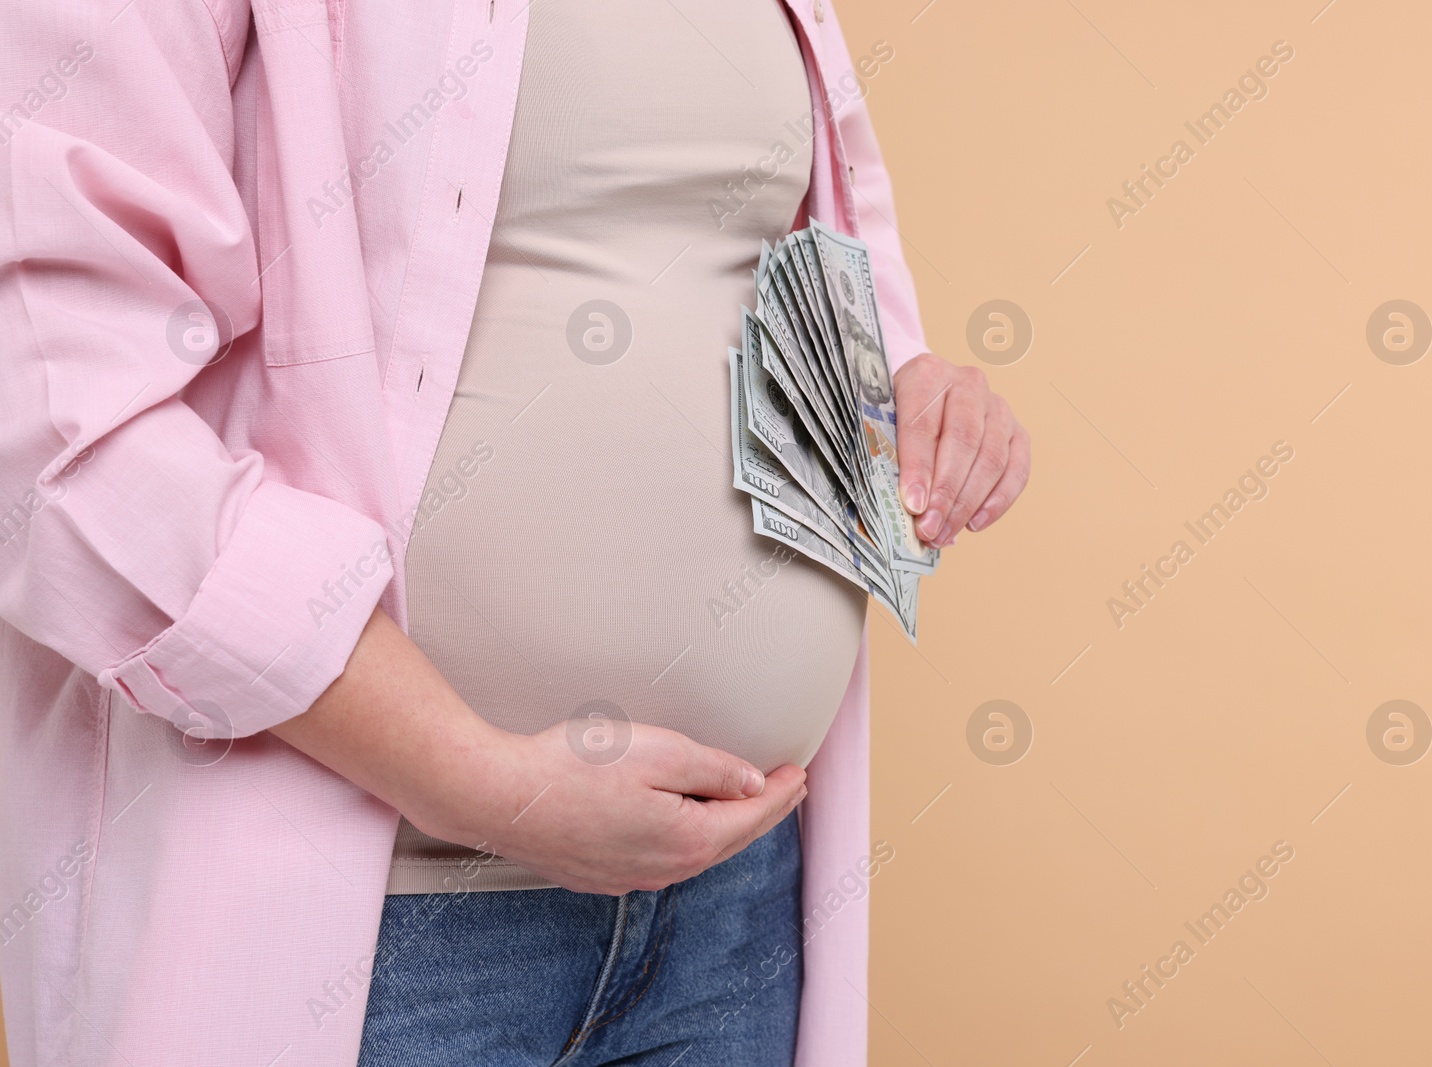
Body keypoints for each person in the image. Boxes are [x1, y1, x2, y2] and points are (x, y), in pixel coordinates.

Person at [0, 1, 1029, 1065]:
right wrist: (477, 779)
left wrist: (908, 388)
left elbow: (764, 259)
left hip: (734, 905)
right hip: (392, 925)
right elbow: (52, 424)